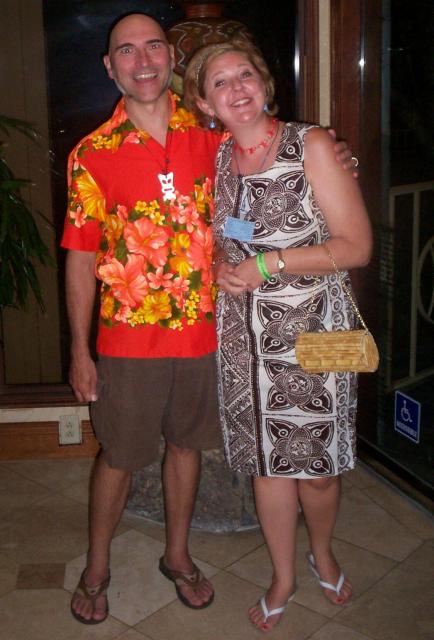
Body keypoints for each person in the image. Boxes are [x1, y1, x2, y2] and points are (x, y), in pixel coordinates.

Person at [62, 11, 357, 626]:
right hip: (132, 339)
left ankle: (179, 556)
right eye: (126, 51)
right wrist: (79, 351)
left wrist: (334, 153)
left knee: (189, 449)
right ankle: (96, 567)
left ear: (170, 60)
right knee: (119, 455)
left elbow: (276, 154)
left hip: (213, 335)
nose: (143, 61)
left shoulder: (210, 138)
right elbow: (81, 258)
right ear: (110, 67)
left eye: (153, 47)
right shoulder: (92, 155)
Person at [184, 35, 372, 632]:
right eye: (220, 82)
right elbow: (224, 238)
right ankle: (284, 575)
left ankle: (322, 553)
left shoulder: (310, 145)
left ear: (264, 83)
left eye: (245, 74)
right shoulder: (218, 159)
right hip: (245, 344)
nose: (236, 88)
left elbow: (356, 247)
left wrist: (270, 264)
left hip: (315, 337)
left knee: (317, 469)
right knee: (268, 466)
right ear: (206, 104)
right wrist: (223, 265)